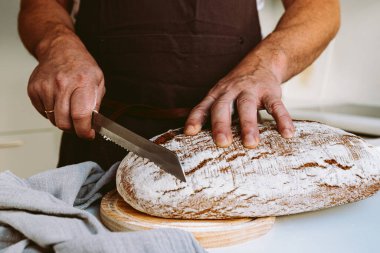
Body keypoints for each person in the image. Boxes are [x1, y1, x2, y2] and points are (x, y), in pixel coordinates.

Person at [18, 0, 340, 169]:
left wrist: (266, 64)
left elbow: (320, 7)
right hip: (101, 144)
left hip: (229, 152)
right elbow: (38, 4)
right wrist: (58, 45)